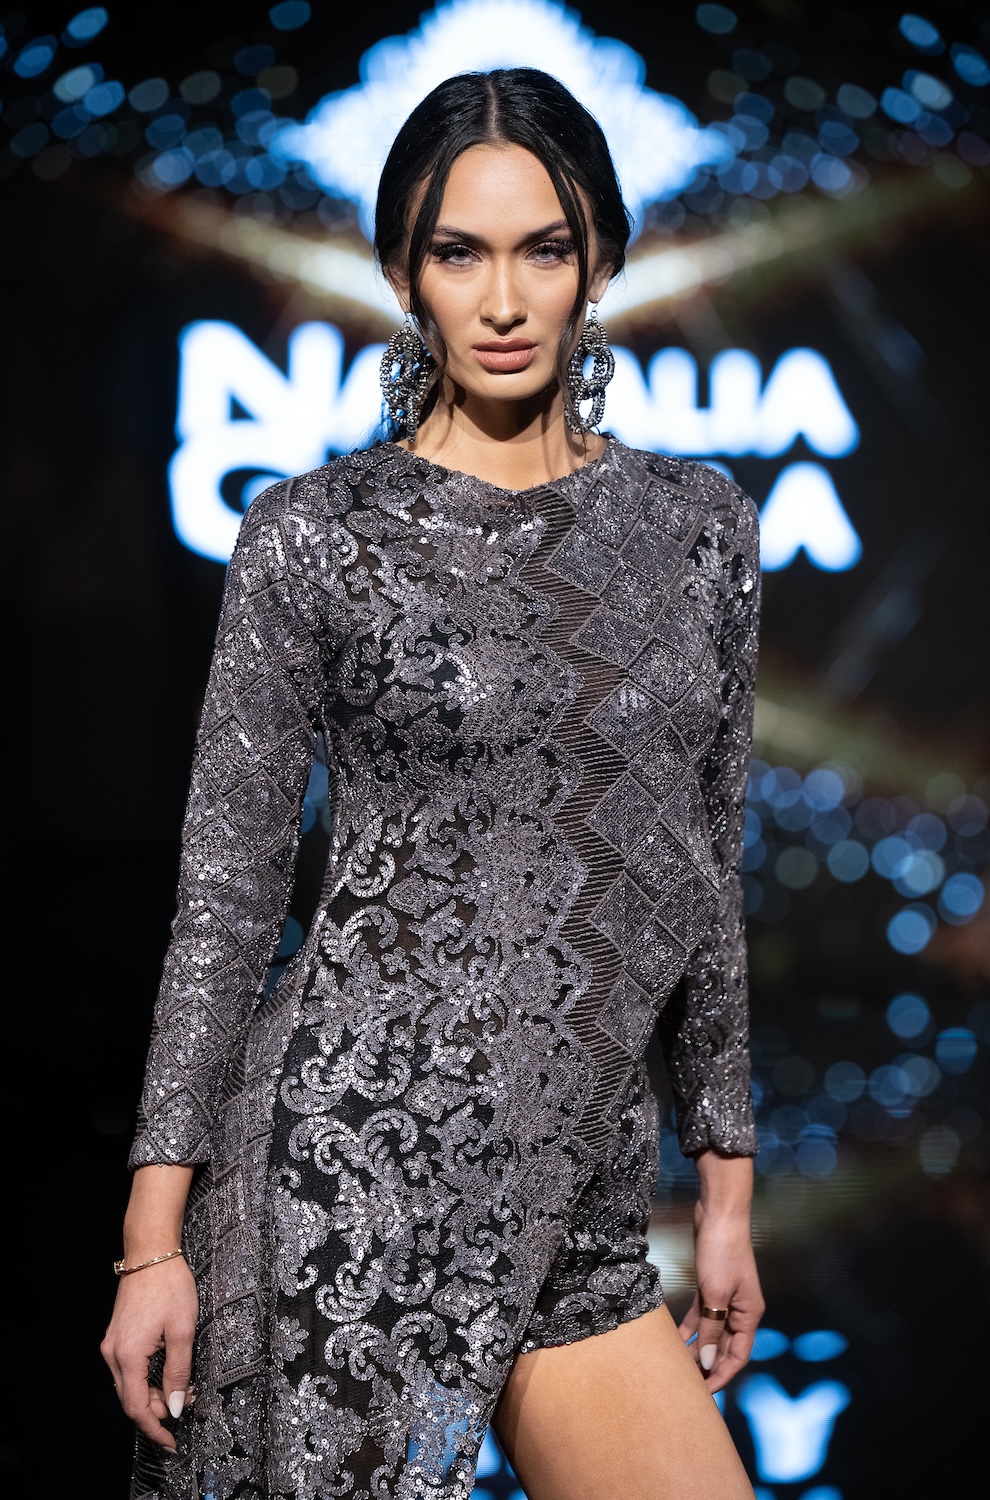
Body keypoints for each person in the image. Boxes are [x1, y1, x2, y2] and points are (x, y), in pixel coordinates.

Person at [102, 67, 765, 1500]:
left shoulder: (697, 529)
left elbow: (705, 872)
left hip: (583, 1197)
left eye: (543, 248)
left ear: (601, 261)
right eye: (460, 252)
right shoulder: (308, 537)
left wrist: (724, 1197)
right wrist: (154, 1244)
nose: (505, 297)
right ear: (404, 273)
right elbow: (223, 906)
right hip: (351, 1176)